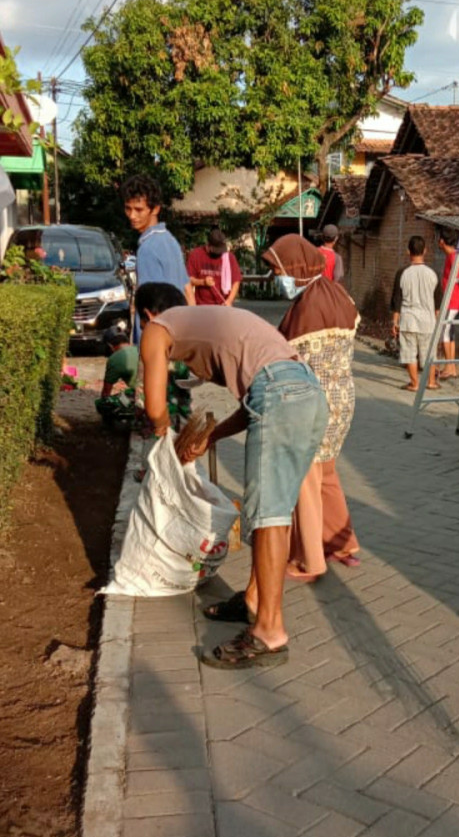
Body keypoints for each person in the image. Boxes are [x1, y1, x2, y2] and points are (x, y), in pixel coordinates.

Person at [136, 282, 328, 669]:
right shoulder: (211, 321)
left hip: (281, 393)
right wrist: (210, 436)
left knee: (267, 517)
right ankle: (255, 600)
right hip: (307, 391)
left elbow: (156, 409)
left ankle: (269, 634)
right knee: (278, 510)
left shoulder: (157, 329)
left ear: (146, 315)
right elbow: (256, 398)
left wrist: (162, 449)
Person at [262, 234, 360, 581]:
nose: (277, 278)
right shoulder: (337, 294)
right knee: (327, 474)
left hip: (314, 403)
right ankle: (343, 543)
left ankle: (311, 561)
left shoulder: (307, 307)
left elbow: (291, 358)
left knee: (305, 479)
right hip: (343, 398)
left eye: (278, 270)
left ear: (296, 267)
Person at [121, 174, 194, 342]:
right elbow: (188, 292)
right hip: (178, 334)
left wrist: (145, 349)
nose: (132, 216)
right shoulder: (170, 240)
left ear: (155, 209)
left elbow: (149, 309)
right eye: (128, 208)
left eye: (139, 209)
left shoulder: (147, 249)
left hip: (157, 340)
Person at [391, 235, 441, 392]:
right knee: (429, 353)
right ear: (425, 251)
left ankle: (414, 383)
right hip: (428, 321)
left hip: (408, 320)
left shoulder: (402, 273)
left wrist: (394, 322)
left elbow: (396, 301)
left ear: (408, 251)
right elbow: (438, 302)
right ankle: (431, 382)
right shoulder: (433, 273)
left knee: (409, 353)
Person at [438, 227, 459, 380]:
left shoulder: (453, 257)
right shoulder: (453, 256)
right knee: (450, 334)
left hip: (453, 301)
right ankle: (451, 367)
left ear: (442, 241)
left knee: (445, 335)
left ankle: (450, 367)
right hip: (454, 300)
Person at [186, 228, 242, 306]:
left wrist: (229, 300)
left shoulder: (229, 257)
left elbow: (236, 281)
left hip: (223, 305)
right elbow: (188, 280)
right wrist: (203, 282)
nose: (218, 253)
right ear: (207, 245)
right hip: (202, 306)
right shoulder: (196, 255)